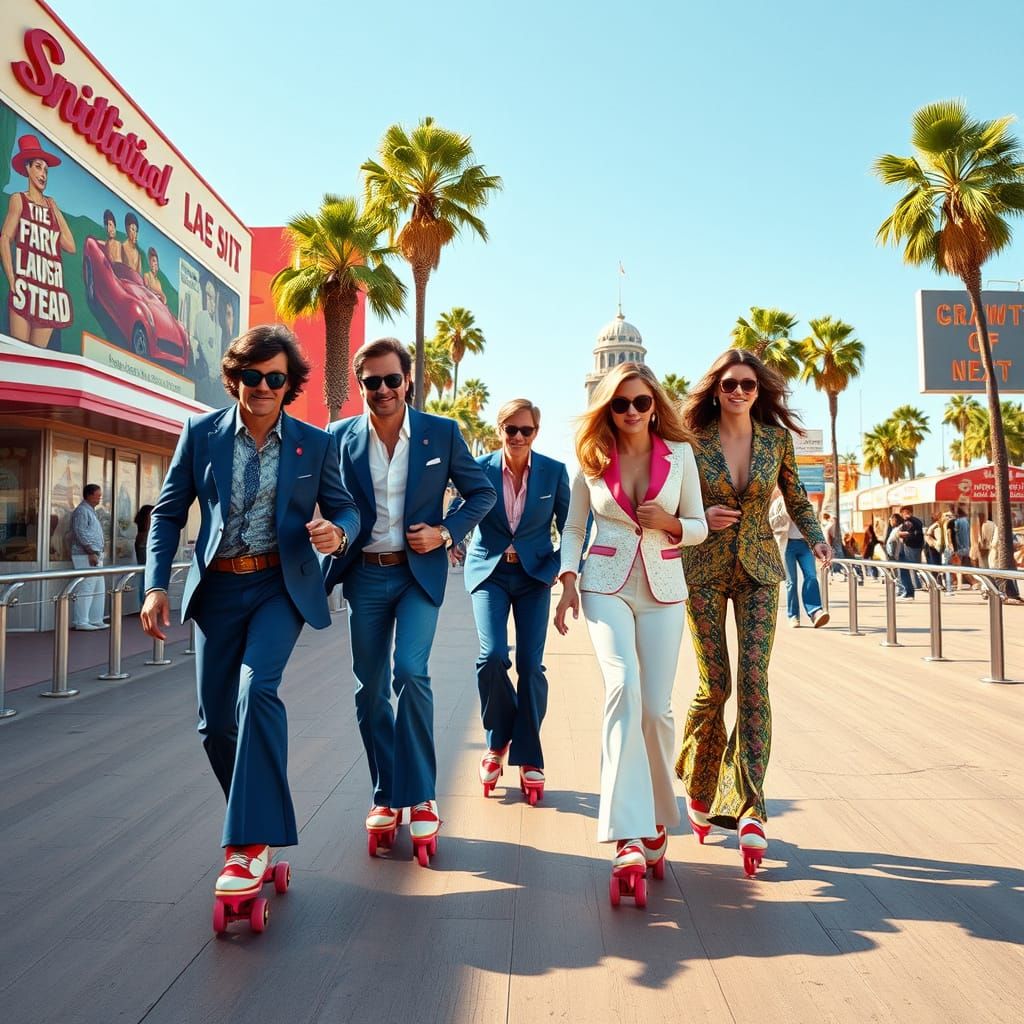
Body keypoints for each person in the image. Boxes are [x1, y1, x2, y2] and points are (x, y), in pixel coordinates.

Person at [141, 324, 360, 910]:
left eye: (275, 378)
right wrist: (155, 585)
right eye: (252, 376)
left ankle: (246, 843)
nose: (262, 386)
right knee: (215, 725)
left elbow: (344, 509)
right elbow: (167, 514)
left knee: (255, 689)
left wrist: (337, 534)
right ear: (234, 377)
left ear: (289, 385)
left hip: (277, 587)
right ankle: (260, 822)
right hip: (215, 591)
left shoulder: (314, 443)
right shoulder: (201, 433)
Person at [324, 337, 495, 864]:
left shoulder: (441, 433)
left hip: (417, 576)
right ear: (359, 385)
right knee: (370, 690)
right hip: (366, 576)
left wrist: (445, 533)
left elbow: (481, 493)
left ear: (408, 382)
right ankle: (385, 793)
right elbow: (325, 501)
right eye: (371, 381)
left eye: (391, 380)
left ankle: (420, 796)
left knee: (411, 672)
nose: (382, 389)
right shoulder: (337, 439)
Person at [673, 349, 830, 877]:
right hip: (703, 568)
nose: (739, 392)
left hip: (761, 568)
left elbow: (798, 498)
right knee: (713, 685)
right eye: (729, 384)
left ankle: (750, 806)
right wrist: (695, 517)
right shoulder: (689, 442)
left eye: (747, 385)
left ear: (758, 391)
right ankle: (699, 782)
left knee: (753, 681)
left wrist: (817, 538)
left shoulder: (775, 440)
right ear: (715, 388)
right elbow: (672, 500)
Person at [554, 362, 707, 897]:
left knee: (656, 709)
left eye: (641, 402)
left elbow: (699, 526)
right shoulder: (592, 459)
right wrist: (569, 578)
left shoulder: (681, 456)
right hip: (604, 584)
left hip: (664, 587)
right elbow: (574, 527)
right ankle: (627, 834)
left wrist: (671, 524)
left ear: (654, 404)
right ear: (607, 409)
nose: (632, 412)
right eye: (620, 404)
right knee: (623, 688)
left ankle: (661, 813)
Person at [458, 399, 570, 803]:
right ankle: (497, 740)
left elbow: (574, 523)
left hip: (534, 576)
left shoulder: (554, 472)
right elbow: (459, 511)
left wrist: (560, 564)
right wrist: (447, 538)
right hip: (489, 572)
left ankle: (529, 756)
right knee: (491, 658)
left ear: (536, 432)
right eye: (511, 429)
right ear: (499, 430)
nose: (518, 437)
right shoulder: (479, 469)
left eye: (526, 430)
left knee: (529, 666)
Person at [1, 135, 75, 348]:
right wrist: (12, 279)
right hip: (24, 289)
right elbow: (5, 238)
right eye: (38, 167)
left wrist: (55, 208)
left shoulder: (51, 206)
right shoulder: (18, 199)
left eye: (46, 170)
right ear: (27, 169)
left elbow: (70, 245)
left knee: (36, 359)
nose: (43, 174)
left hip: (48, 297)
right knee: (18, 355)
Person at [769, 486, 829, 627]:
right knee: (791, 582)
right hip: (787, 546)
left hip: (805, 546)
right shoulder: (778, 503)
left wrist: (820, 543)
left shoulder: (806, 507)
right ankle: (793, 615)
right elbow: (771, 524)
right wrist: (785, 511)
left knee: (811, 576)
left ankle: (815, 611)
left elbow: (814, 525)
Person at [69, 483, 108, 630]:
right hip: (86, 555)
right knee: (86, 587)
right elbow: (80, 532)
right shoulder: (81, 511)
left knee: (98, 587)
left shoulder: (91, 511)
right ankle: (81, 621)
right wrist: (90, 552)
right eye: (98, 495)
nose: (99, 498)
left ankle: (95, 618)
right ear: (90, 495)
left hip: (96, 554)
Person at [895, 505, 925, 601]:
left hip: (910, 546)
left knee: (909, 567)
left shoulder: (908, 521)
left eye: (902, 513)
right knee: (915, 566)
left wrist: (899, 534)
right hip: (918, 546)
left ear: (905, 512)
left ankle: (915, 586)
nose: (902, 515)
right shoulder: (918, 520)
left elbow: (907, 533)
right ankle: (917, 584)